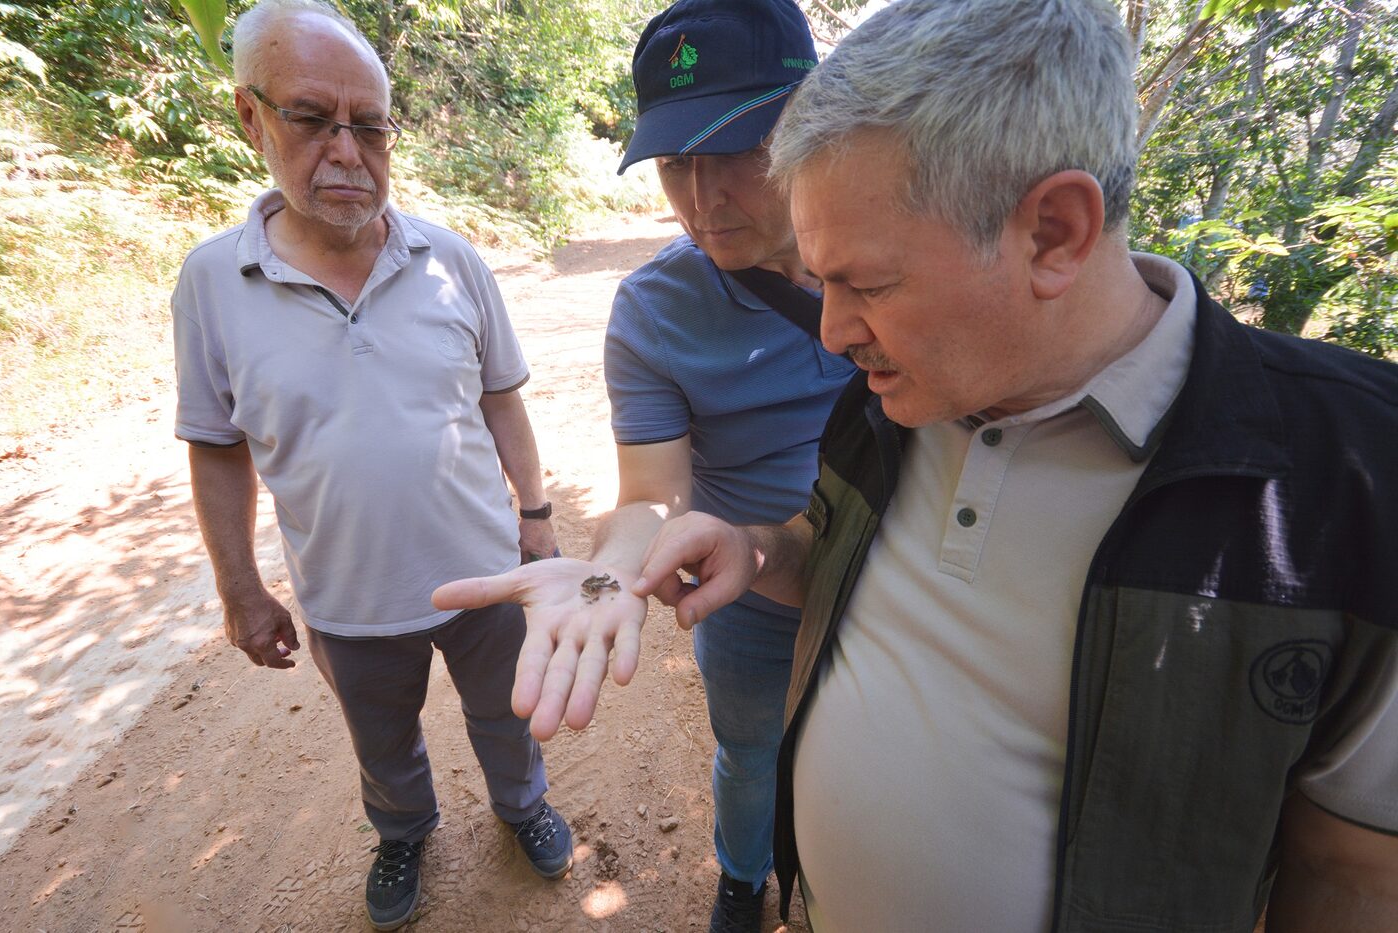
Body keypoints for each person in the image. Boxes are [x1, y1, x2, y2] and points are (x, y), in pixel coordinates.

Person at [448, 0, 1398, 930]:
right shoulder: (892, 396)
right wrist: (754, 553)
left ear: (1055, 231)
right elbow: (799, 534)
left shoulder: (1344, 489)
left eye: (867, 283)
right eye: (673, 165)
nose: (830, 333)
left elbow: (1352, 870)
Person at [433, 2, 853, 930]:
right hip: (752, 599)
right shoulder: (657, 309)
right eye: (675, 163)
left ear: (812, 120)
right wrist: (613, 571)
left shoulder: (912, 247)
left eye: (738, 149)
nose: (702, 199)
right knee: (750, 751)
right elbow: (652, 495)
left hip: (899, 577)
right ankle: (744, 878)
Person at [171, 2, 571, 929]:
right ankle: (403, 831)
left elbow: (502, 397)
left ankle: (523, 806)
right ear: (252, 116)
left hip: (484, 572)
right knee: (381, 739)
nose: (348, 152)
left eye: (372, 126)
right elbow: (217, 445)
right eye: (314, 119)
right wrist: (241, 589)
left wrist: (538, 515)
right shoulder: (211, 280)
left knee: (508, 714)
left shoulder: (452, 260)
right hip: (345, 598)